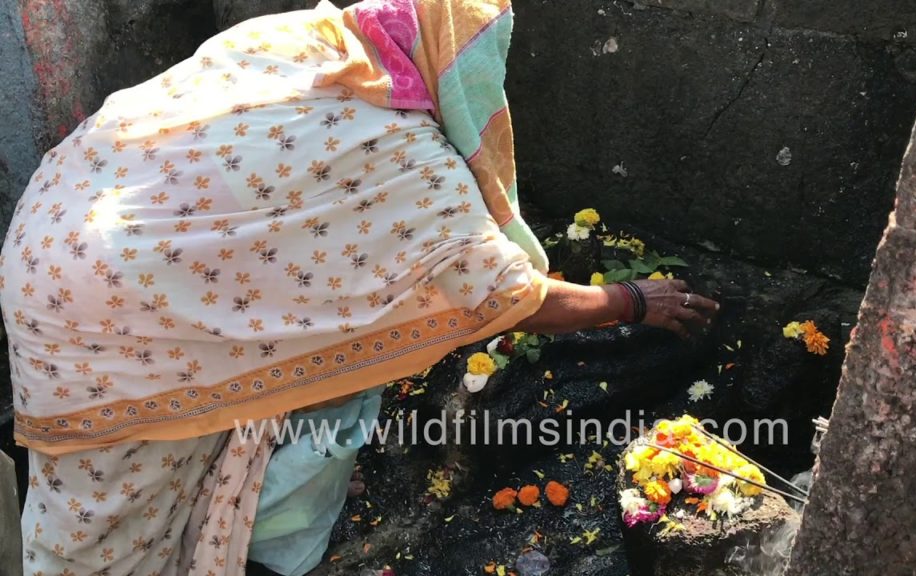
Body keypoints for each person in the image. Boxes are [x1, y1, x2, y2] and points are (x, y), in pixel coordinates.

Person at [0, 0, 718, 574]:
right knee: (107, 518)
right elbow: (506, 297)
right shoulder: (408, 158)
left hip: (57, 225)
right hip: (114, 308)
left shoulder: (309, 41)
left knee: (110, 479)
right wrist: (631, 302)